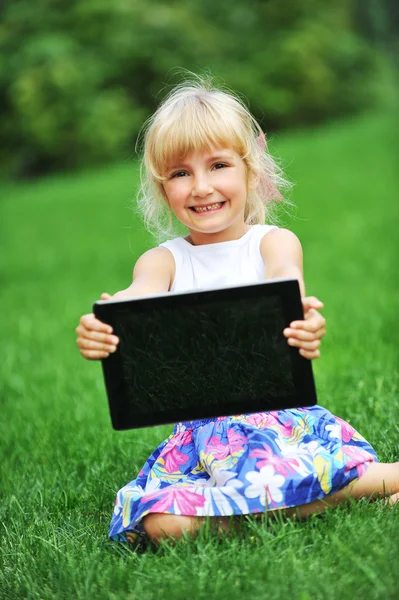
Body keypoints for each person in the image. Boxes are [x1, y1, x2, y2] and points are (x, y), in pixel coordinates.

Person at [76, 77, 399, 546]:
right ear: (162, 187)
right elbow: (134, 298)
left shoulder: (271, 243)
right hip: (200, 444)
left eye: (219, 165)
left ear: (251, 171)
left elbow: (286, 286)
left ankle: (380, 478)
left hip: (275, 424)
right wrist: (104, 321)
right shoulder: (163, 260)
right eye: (180, 173)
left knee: (270, 472)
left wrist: (302, 321)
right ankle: (336, 496)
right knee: (156, 525)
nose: (201, 186)